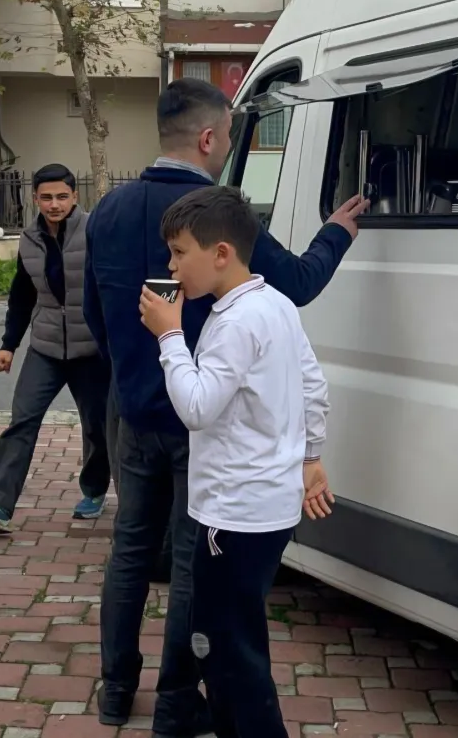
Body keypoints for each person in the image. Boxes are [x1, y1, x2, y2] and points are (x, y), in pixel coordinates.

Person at [83, 77, 367, 732]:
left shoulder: (108, 210)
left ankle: (115, 689)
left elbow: (94, 313)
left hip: (135, 409)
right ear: (209, 138)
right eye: (233, 135)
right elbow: (296, 283)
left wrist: (130, 371)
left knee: (130, 551)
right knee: (192, 564)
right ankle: (177, 702)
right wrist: (335, 233)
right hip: (203, 422)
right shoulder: (219, 218)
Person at [138, 184, 334, 738]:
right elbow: (314, 386)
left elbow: (198, 407)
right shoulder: (275, 304)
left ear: (221, 253)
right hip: (268, 507)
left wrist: (170, 337)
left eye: (180, 253)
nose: (172, 267)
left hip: (232, 513)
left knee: (225, 651)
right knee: (235, 637)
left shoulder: (233, 323)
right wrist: (311, 456)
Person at [0, 163, 110, 535]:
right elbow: (22, 294)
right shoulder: (29, 238)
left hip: (91, 351)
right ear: (35, 198)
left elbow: (111, 288)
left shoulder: (95, 231)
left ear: (74, 196)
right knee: (22, 420)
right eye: (46, 197)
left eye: (62, 196)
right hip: (45, 348)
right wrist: (9, 345)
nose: (54, 204)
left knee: (98, 426)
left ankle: (94, 489)